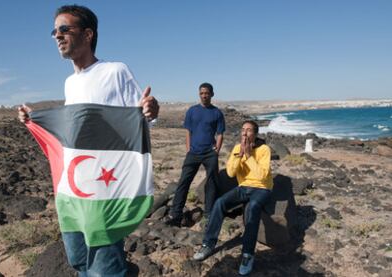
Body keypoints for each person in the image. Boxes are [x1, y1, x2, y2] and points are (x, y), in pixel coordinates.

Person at [18, 5, 159, 277]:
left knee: (105, 268)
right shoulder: (70, 83)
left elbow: (141, 116)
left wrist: (150, 110)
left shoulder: (115, 71)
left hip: (103, 192)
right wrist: (32, 121)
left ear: (88, 34)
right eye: (54, 31)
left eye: (64, 29)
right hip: (72, 191)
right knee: (79, 262)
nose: (57, 36)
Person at [193, 120, 273, 276]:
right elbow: (230, 173)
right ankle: (208, 244)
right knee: (220, 203)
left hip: (262, 188)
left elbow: (262, 176)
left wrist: (249, 156)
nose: (244, 132)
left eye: (249, 130)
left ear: (255, 134)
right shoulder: (237, 148)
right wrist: (240, 154)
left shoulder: (264, 149)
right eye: (243, 129)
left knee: (253, 207)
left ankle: (247, 255)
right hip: (244, 187)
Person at [165, 83, 225, 227]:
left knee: (212, 183)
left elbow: (220, 133)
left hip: (210, 153)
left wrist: (217, 150)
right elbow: (188, 131)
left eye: (207, 93)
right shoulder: (192, 111)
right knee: (184, 182)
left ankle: (208, 214)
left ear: (212, 94)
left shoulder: (217, 113)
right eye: (202, 93)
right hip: (193, 153)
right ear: (199, 94)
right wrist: (188, 148)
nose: (204, 95)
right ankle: (176, 214)